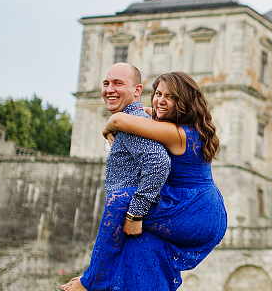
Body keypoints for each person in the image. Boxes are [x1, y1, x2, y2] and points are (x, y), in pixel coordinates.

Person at [62, 63, 194, 291]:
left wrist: (136, 211)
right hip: (143, 225)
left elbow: (158, 164)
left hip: (144, 228)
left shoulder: (134, 123)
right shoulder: (137, 120)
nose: (109, 89)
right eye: (105, 82)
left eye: (117, 83)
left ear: (136, 90)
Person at [97, 70, 228, 271]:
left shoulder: (177, 134)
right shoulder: (190, 128)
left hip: (192, 209)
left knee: (120, 202)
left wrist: (107, 127)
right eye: (158, 94)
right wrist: (151, 109)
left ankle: (94, 276)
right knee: (147, 247)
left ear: (183, 102)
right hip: (206, 208)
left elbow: (118, 121)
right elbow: (150, 111)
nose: (161, 100)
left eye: (170, 97)